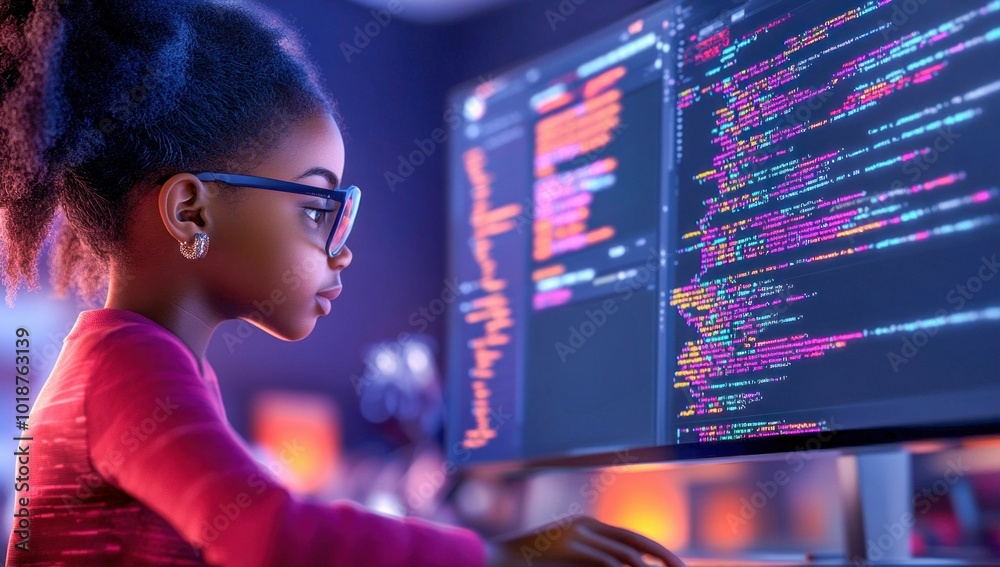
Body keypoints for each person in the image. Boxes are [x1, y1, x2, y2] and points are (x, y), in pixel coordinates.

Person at [0, 0, 687, 565]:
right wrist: (500, 555)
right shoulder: (127, 367)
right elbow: (265, 534)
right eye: (313, 208)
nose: (343, 250)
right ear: (191, 210)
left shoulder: (138, 361)